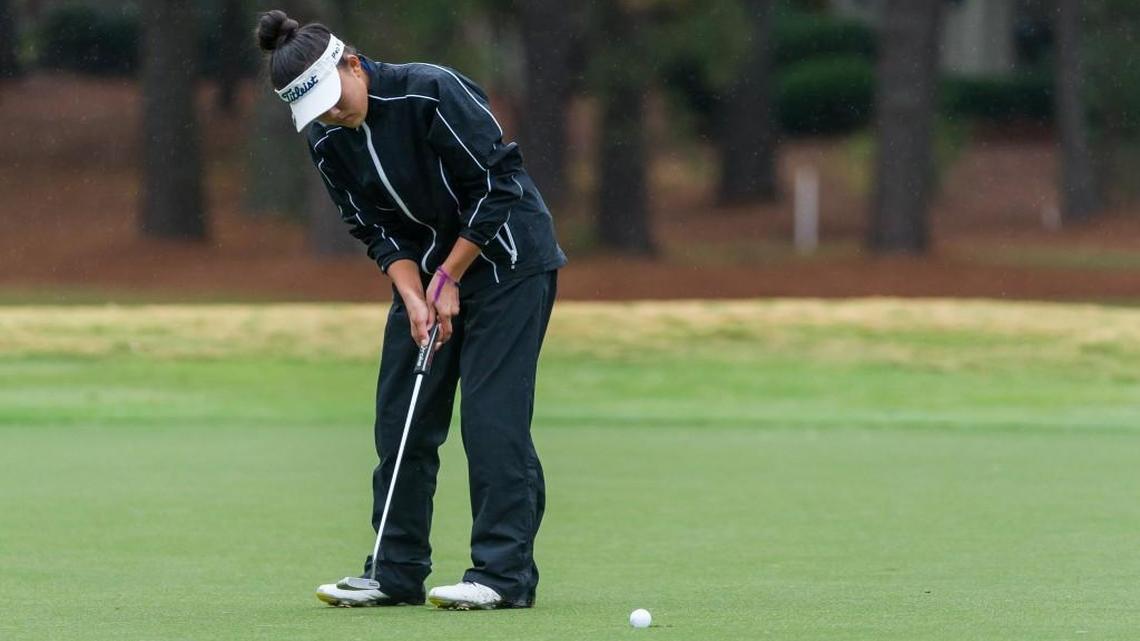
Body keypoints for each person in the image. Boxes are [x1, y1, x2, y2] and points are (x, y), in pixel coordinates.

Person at [255, 10, 567, 610]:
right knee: (402, 419)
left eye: (330, 97)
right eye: (313, 109)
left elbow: (498, 185)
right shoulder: (327, 139)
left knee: (491, 419)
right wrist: (414, 293)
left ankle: (502, 575)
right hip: (427, 277)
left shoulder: (431, 92)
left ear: (352, 64)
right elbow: (374, 226)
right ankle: (394, 571)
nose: (329, 113)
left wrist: (449, 275)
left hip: (509, 265)